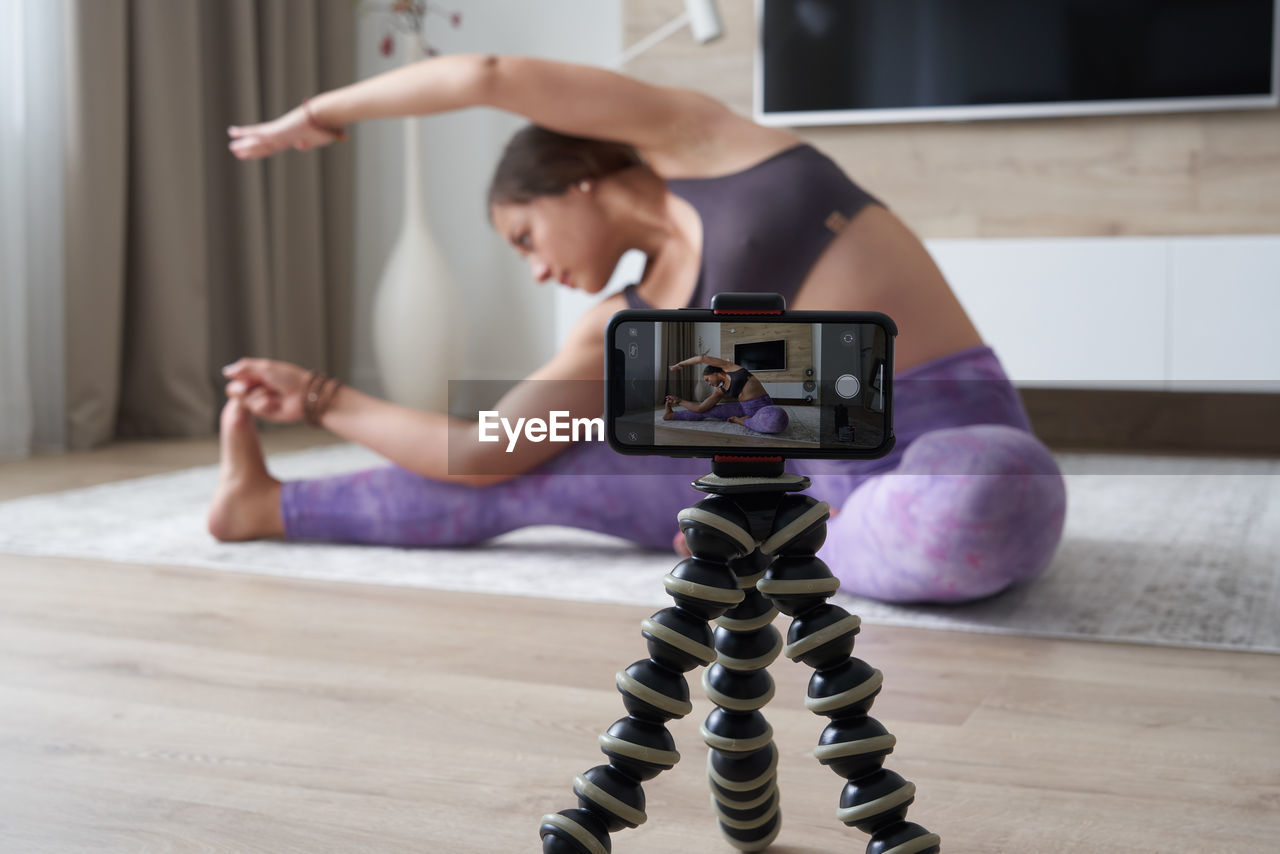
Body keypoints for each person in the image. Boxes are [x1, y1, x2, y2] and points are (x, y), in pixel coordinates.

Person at [212, 54, 1067, 604]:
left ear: (570, 181)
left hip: (932, 430)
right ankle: (266, 507)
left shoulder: (702, 144)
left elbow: (487, 73)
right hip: (789, 473)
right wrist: (321, 397)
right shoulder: (616, 328)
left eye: (525, 239)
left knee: (991, 491)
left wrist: (321, 112)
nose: (535, 268)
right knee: (530, 476)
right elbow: (483, 453)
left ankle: (781, 543)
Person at [663, 357, 789, 435]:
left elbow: (701, 358)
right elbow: (700, 408)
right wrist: (679, 401)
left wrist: (681, 364)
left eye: (707, 379)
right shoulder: (720, 391)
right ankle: (671, 415)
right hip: (743, 409)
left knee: (776, 420)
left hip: (763, 408)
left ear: (715, 372)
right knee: (707, 412)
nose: (708, 383)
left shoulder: (731, 368)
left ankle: (740, 421)